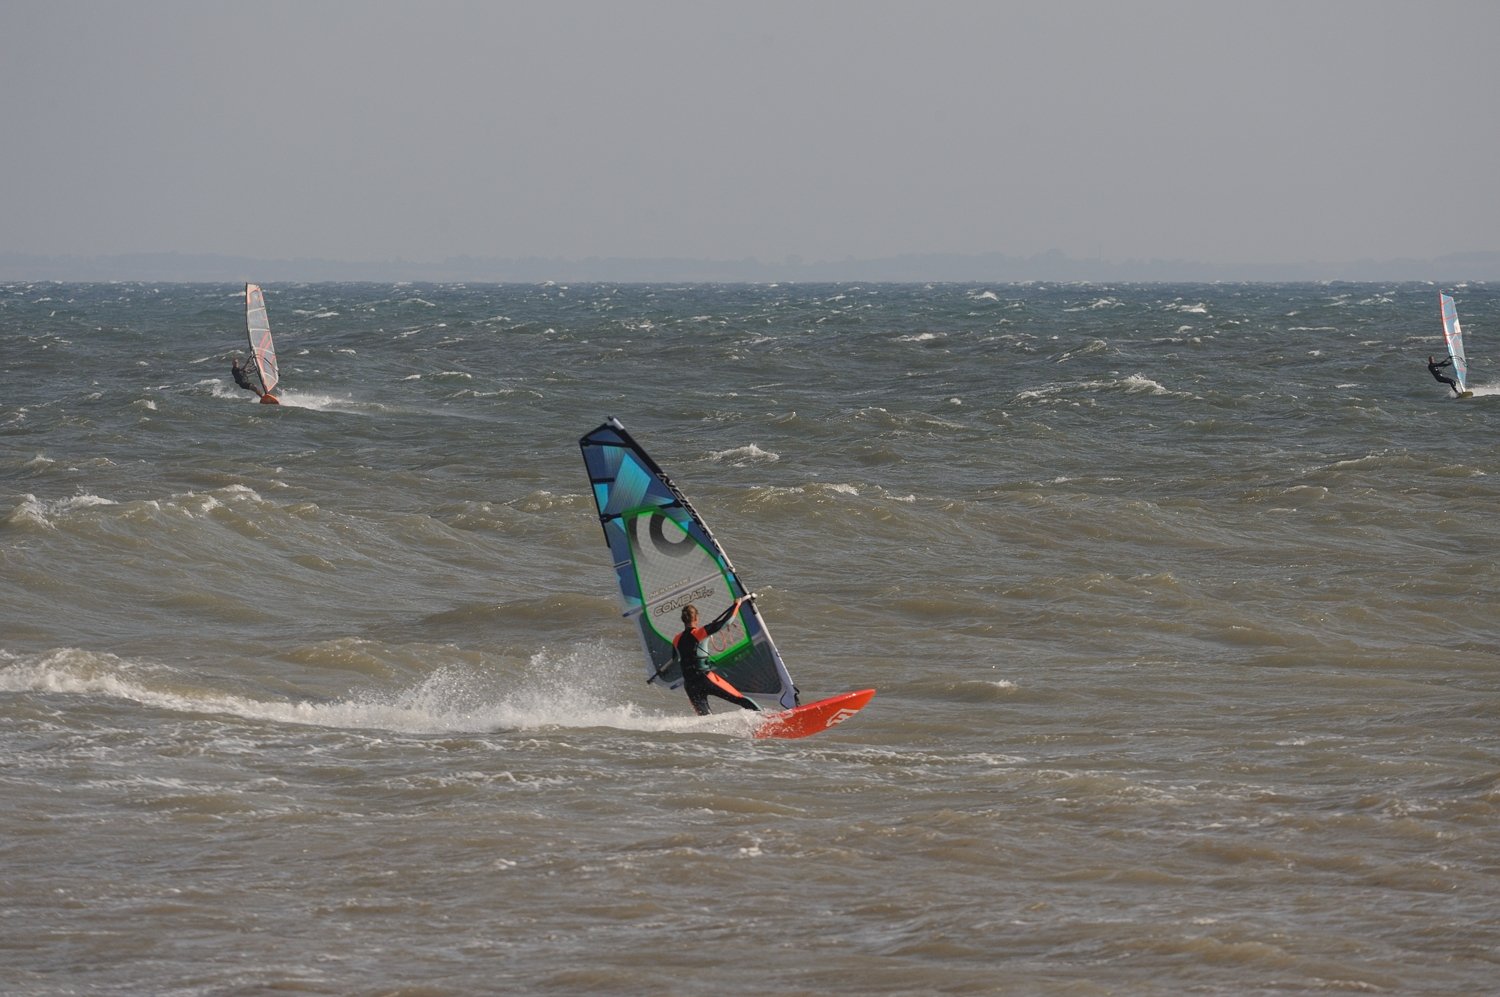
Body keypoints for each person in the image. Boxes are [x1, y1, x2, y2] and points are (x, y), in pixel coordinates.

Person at [673, 597, 760, 716]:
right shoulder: (700, 633)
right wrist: (736, 605)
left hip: (690, 685)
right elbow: (726, 622)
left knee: (706, 718)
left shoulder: (676, 639)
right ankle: (766, 718)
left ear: (683, 620)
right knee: (739, 699)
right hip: (705, 679)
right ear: (697, 618)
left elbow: (675, 658)